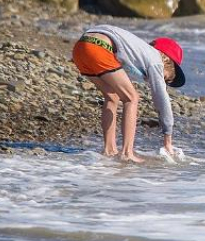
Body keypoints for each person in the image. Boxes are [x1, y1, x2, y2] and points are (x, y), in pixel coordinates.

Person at [71, 25, 186, 163]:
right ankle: (127, 152)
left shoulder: (138, 51)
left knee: (112, 97)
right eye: (166, 78)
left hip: (80, 47)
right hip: (99, 48)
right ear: (168, 62)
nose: (163, 81)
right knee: (132, 98)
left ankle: (109, 150)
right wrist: (168, 140)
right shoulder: (156, 61)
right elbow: (162, 100)